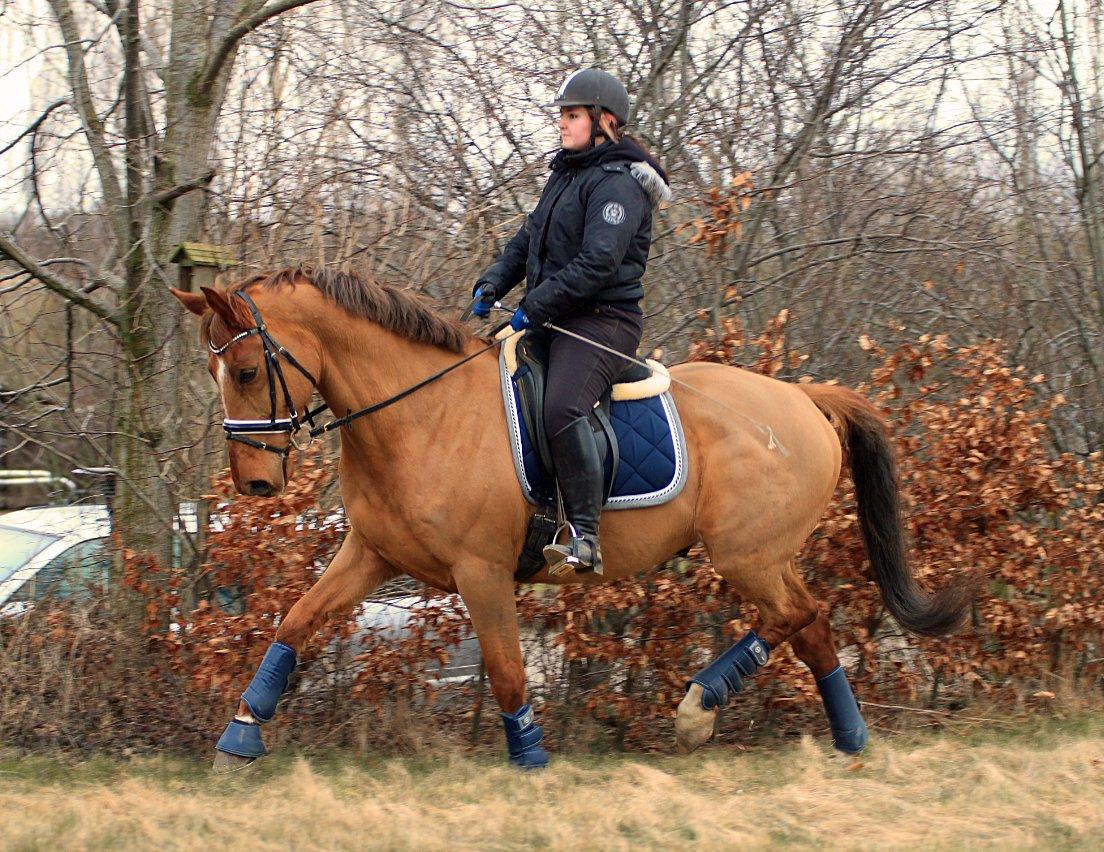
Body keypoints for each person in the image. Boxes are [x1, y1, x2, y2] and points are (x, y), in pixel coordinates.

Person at [472, 68, 671, 576]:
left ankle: (585, 534)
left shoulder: (621, 185)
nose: (562, 123)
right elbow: (528, 236)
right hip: (559, 315)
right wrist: (493, 281)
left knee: (562, 406)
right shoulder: (567, 174)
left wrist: (533, 307)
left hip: (604, 322)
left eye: (571, 115)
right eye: (561, 114)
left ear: (604, 121)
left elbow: (598, 264)